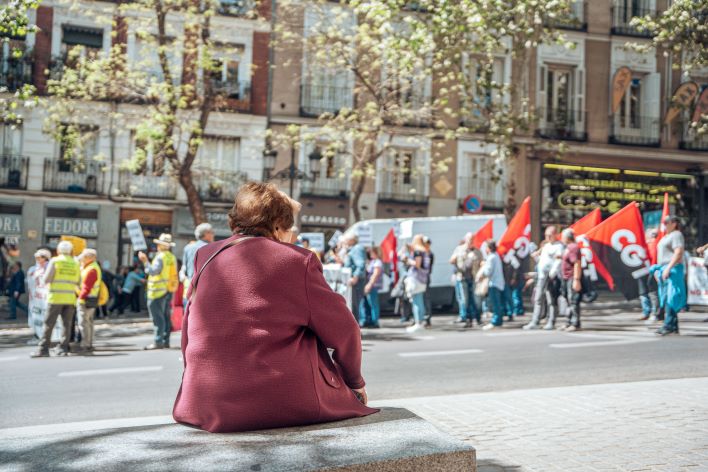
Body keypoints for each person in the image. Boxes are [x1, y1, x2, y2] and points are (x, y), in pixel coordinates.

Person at [173, 182, 377, 433]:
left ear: (233, 222)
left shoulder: (205, 256)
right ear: (278, 226)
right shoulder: (296, 260)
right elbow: (345, 329)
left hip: (204, 401)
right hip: (279, 400)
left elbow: (189, 328)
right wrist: (355, 382)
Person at [31, 241, 80, 357]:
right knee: (66, 325)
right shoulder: (75, 263)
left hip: (55, 298)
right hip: (70, 299)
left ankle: (43, 349)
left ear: (58, 250)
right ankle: (63, 348)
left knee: (49, 324)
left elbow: (46, 279)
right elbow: (79, 281)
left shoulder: (55, 261)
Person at [139, 234, 177, 350]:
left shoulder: (160, 257)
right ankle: (165, 341)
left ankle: (158, 341)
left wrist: (145, 261)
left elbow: (153, 271)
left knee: (158, 318)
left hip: (157, 292)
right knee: (165, 317)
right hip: (168, 289)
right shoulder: (171, 256)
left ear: (160, 245)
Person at [651, 215, 686, 336]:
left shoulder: (676, 235)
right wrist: (659, 270)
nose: (664, 224)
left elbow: (678, 252)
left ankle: (668, 325)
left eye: (667, 222)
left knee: (671, 297)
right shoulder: (666, 236)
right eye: (664, 222)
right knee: (666, 297)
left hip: (672, 269)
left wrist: (668, 268)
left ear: (674, 223)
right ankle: (674, 325)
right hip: (664, 269)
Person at [524, 226, 563, 330]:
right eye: (546, 235)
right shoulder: (546, 247)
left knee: (551, 299)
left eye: (550, 235)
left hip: (551, 277)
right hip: (541, 276)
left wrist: (552, 273)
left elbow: (558, 261)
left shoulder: (559, 246)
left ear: (555, 234)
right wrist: (536, 257)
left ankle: (551, 321)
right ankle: (535, 321)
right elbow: (541, 261)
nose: (548, 237)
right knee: (538, 298)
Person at [450, 233, 483, 328]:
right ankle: (468, 319)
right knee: (465, 300)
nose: (471, 241)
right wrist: (454, 260)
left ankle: (477, 318)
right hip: (462, 277)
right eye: (469, 239)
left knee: (476, 300)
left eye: (472, 239)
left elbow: (481, 262)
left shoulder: (477, 251)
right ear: (466, 239)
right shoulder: (459, 249)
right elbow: (451, 260)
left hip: (474, 278)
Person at [180, 223, 215, 307]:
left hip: (189, 287)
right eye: (212, 232)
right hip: (205, 288)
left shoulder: (188, 248)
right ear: (206, 234)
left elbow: (183, 267)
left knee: (188, 313)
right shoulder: (212, 248)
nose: (213, 235)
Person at [402, 235, 431, 333]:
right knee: (420, 301)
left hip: (416, 278)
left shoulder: (418, 251)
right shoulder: (425, 251)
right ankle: (420, 322)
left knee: (416, 301)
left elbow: (417, 264)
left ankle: (418, 323)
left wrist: (408, 261)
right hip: (422, 279)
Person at [75, 249, 102, 353]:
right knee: (88, 322)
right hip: (90, 298)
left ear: (90, 258)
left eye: (84, 257)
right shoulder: (91, 267)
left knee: (84, 323)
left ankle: (86, 344)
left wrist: (80, 298)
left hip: (86, 299)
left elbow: (87, 287)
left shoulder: (91, 269)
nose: (82, 259)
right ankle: (88, 343)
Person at [558, 228, 582, 332]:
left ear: (567, 237)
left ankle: (575, 323)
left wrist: (576, 279)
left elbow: (577, 263)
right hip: (566, 277)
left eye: (563, 236)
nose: (561, 238)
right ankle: (568, 322)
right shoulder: (568, 247)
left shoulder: (573, 247)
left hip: (571, 277)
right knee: (568, 301)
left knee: (573, 301)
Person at [27, 249, 52, 340]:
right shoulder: (33, 269)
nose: (37, 259)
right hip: (35, 299)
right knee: (35, 317)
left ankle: (46, 337)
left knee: (46, 317)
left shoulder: (50, 268)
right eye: (36, 257)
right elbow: (30, 282)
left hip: (46, 298)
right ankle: (37, 335)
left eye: (40, 257)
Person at [481, 240, 506, 331]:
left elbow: (488, 271)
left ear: (489, 248)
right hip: (498, 283)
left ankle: (495, 321)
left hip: (494, 283)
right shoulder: (496, 256)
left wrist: (483, 266)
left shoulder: (491, 258)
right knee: (498, 303)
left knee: (495, 304)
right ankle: (498, 320)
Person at [343, 234, 367, 324]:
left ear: (352, 240)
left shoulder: (357, 249)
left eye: (346, 240)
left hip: (355, 281)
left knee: (354, 306)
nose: (345, 242)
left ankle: (355, 331)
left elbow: (360, 265)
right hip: (354, 280)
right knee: (352, 306)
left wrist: (355, 277)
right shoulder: (354, 248)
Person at [639, 229, 660, 323]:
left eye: (655, 234)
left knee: (652, 293)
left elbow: (654, 258)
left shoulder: (655, 244)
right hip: (643, 270)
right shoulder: (643, 244)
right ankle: (647, 312)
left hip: (652, 270)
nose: (653, 236)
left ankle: (654, 313)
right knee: (644, 293)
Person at [362, 247, 384, 329]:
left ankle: (375, 321)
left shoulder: (377, 262)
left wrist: (369, 284)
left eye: (372, 252)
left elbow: (375, 275)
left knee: (373, 304)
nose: (370, 254)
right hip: (370, 285)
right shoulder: (372, 262)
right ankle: (370, 320)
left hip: (373, 286)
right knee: (369, 303)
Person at [422, 236, 435, 327]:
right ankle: (422, 317)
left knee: (426, 298)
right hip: (422, 278)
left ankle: (427, 318)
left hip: (425, 278)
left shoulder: (429, 254)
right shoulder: (423, 253)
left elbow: (427, 268)